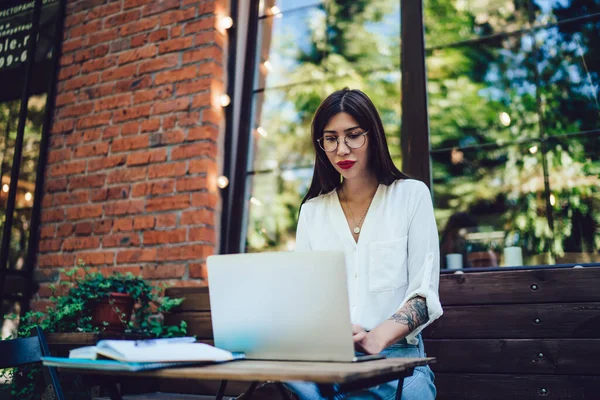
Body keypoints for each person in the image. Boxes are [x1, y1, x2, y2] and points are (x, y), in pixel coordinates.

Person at [287, 88, 443, 399]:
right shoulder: (312, 212)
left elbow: (424, 297)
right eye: (330, 138)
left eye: (353, 135)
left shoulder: (411, 196)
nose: (342, 149)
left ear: (373, 136)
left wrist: (375, 338)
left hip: (398, 362)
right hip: (329, 365)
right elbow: (306, 300)